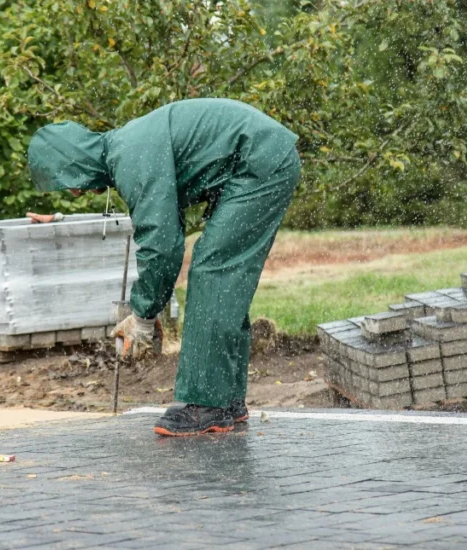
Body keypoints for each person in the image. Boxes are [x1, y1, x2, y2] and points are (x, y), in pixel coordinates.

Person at [27, 98, 300, 436]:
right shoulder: (126, 149)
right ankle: (225, 399)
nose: (72, 191)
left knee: (214, 270)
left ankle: (205, 404)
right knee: (222, 276)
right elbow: (165, 228)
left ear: (75, 162)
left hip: (260, 162)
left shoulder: (130, 158)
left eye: (66, 180)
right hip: (261, 158)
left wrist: (142, 314)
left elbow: (161, 246)